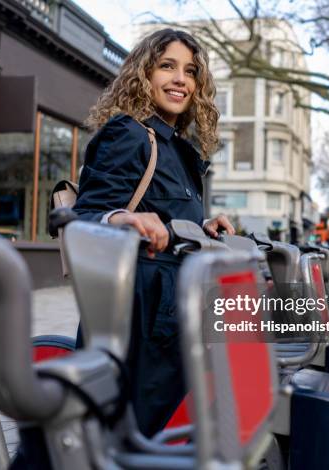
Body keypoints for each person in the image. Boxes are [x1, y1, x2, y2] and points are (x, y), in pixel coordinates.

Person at [73, 28, 235, 437]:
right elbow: (85, 215)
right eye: (168, 66)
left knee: (160, 434)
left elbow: (163, 217)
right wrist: (119, 219)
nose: (180, 79)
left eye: (190, 71)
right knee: (128, 440)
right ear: (143, 73)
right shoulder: (128, 133)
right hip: (137, 319)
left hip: (174, 313)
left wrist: (203, 227)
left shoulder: (180, 149)